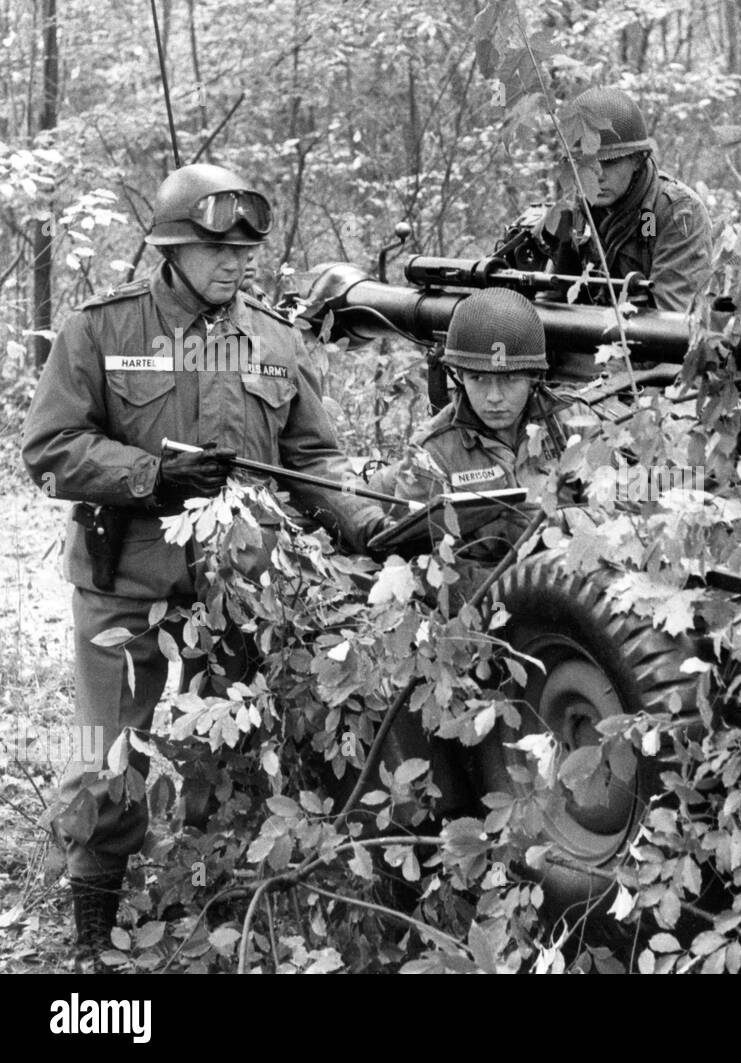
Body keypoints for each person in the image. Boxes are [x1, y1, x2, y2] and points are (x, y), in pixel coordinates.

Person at [21, 162, 390, 965]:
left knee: (236, 755)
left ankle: (219, 902)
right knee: (104, 755)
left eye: (246, 251)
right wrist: (149, 477)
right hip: (127, 581)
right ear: (171, 248)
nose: (235, 263)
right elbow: (48, 449)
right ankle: (94, 927)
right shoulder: (102, 330)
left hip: (242, 590)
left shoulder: (274, 338)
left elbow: (317, 461)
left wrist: (368, 521)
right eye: (215, 248)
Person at [368, 287, 570, 565]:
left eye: (511, 379)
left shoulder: (570, 426)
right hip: (492, 593)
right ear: (460, 377)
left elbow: (627, 508)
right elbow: (418, 560)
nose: (494, 397)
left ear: (534, 377)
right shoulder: (432, 452)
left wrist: (559, 520)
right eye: (478, 378)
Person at [541, 86, 714, 313]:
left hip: (649, 340)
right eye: (585, 163)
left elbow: (669, 319)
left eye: (610, 163)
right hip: (585, 336)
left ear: (636, 160)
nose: (597, 175)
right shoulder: (576, 210)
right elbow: (553, 294)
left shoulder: (674, 212)